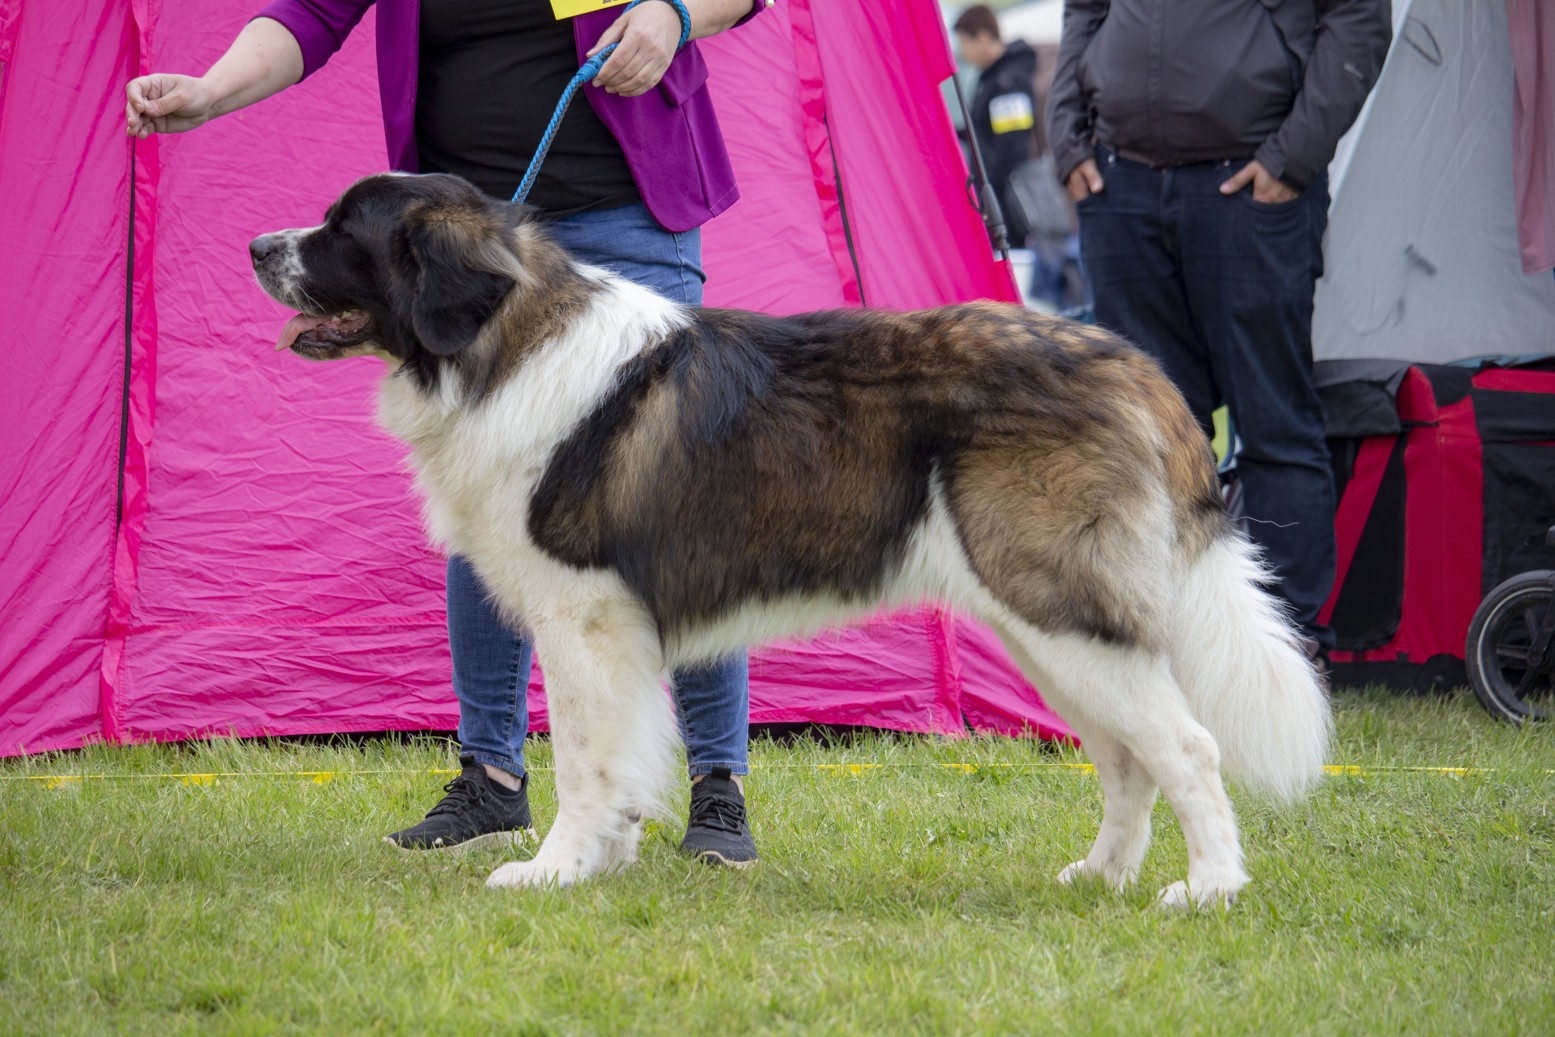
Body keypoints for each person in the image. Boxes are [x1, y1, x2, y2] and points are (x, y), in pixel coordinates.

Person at [126, 0, 767, 867]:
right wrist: (209, 90)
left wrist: (674, 12)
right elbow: (311, 13)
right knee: (486, 497)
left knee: (674, 504)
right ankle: (492, 778)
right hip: (454, 248)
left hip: (626, 212)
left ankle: (717, 782)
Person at [1046, 0, 1392, 666]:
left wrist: (1293, 157)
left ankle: (1283, 654)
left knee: (1275, 426)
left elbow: (1357, 19)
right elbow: (1084, 10)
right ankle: (1165, 643)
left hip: (1249, 183)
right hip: (1119, 187)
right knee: (1145, 438)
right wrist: (1067, 140)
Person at [952, 5, 1040, 250]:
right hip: (996, 197)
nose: (962, 53)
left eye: (964, 43)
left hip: (1008, 203)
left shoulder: (1007, 81)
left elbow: (1013, 147)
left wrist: (993, 194)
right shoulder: (992, 78)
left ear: (982, 37)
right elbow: (983, 133)